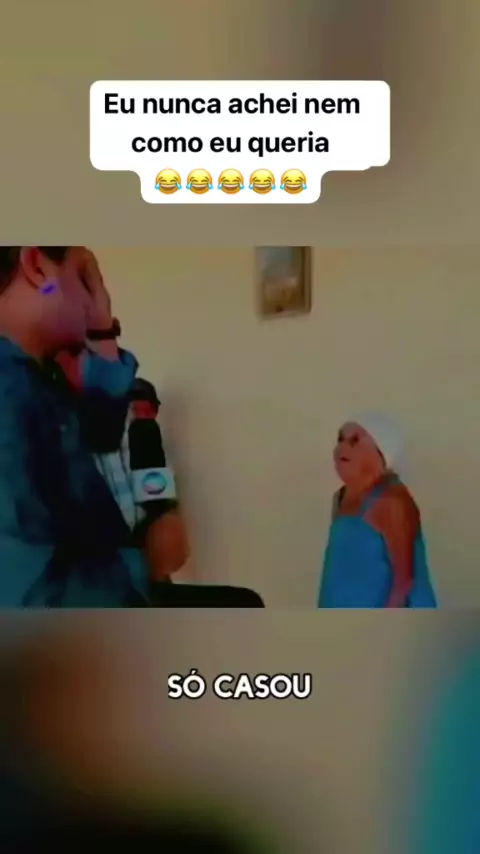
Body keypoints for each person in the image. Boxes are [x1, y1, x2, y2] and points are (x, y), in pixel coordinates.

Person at [0, 246, 149, 607]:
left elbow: (104, 431)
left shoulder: (37, 380)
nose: (95, 297)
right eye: (85, 280)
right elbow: (29, 593)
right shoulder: (8, 390)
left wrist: (101, 324)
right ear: (38, 269)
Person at [318, 413, 437, 608]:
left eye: (355, 441)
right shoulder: (340, 497)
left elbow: (404, 583)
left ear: (382, 451)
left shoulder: (392, 501)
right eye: (340, 439)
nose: (341, 448)